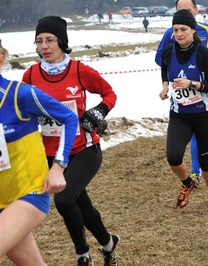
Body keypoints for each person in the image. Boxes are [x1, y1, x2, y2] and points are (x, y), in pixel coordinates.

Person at [21, 16, 119, 265]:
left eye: (50, 40)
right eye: (39, 41)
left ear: (62, 42)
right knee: (82, 206)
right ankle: (109, 243)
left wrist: (98, 112)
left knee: (64, 200)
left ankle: (82, 255)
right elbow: (22, 110)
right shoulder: (31, 75)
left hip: (84, 149)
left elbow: (110, 93)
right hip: (52, 155)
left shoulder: (78, 70)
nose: (44, 46)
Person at [0, 40, 78, 265]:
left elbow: (69, 118)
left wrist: (58, 167)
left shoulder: (20, 95)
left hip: (28, 195)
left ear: (1, 59)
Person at [159, 10, 208, 209]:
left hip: (205, 116)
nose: (179, 34)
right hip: (180, 115)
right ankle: (187, 183)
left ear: (193, 30)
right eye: (175, 30)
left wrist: (192, 84)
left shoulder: (203, 54)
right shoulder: (169, 52)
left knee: (205, 163)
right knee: (173, 157)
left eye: (183, 29)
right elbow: (164, 67)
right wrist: (165, 85)